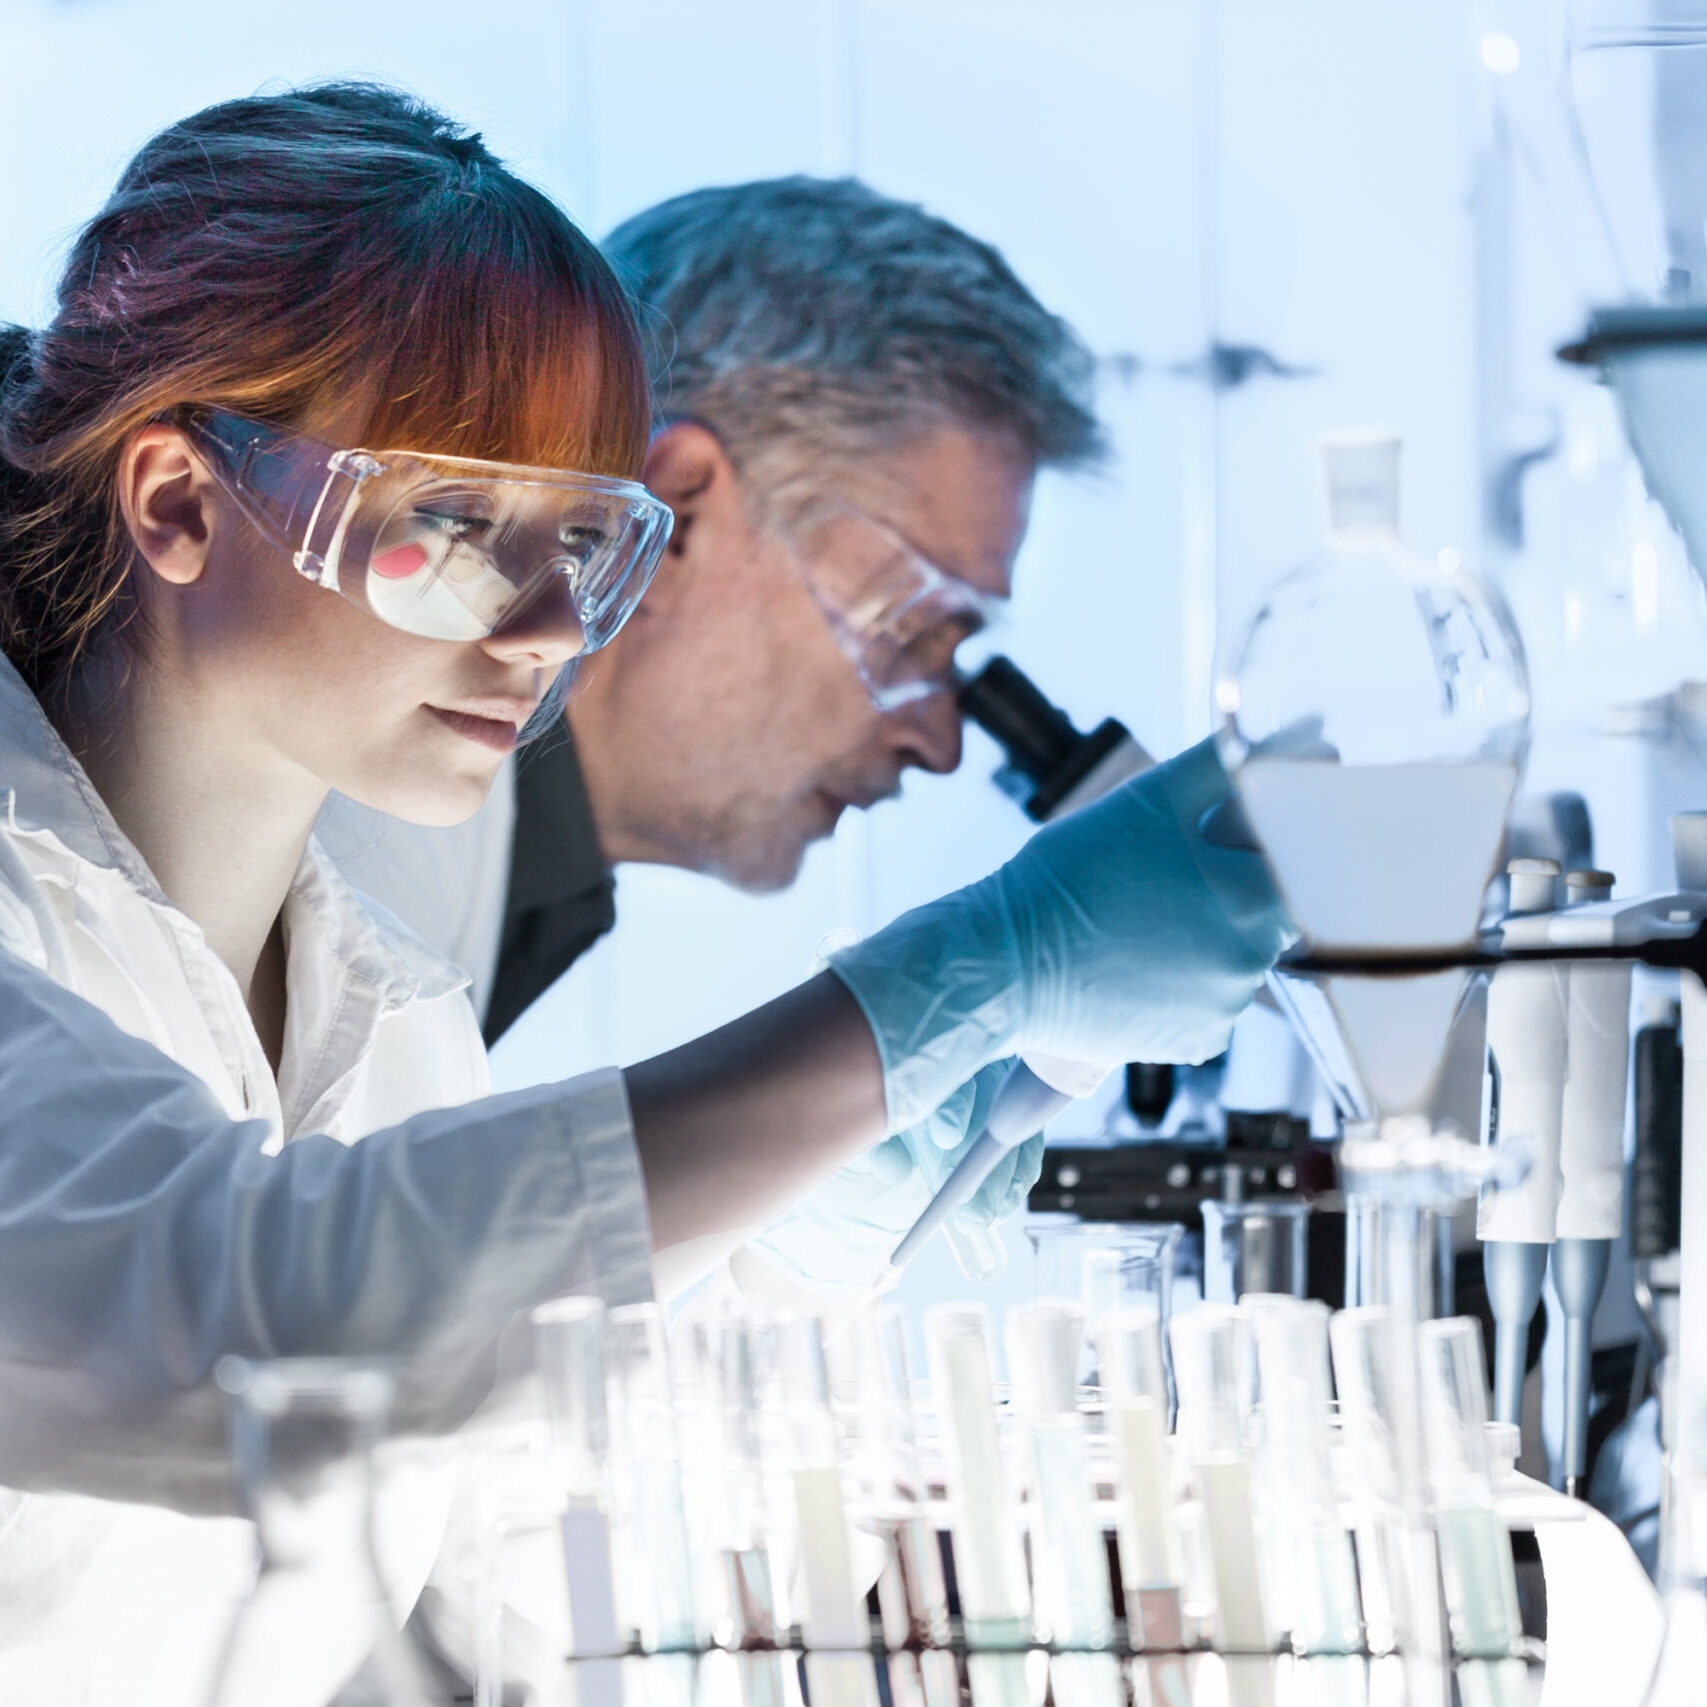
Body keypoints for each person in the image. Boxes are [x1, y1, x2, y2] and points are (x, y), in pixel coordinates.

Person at [0, 80, 1289, 1704]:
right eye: (456, 525)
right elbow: (243, 1320)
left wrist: (779, 1261)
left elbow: (471, 1537)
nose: (549, 627)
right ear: (181, 502)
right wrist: (936, 991)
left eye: (589, 544)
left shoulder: (381, 1005)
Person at [320, 176, 1102, 1043]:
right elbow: (348, 1185)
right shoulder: (362, 833)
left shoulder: (512, 871)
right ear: (673, 518)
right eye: (909, 630)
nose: (939, 743)